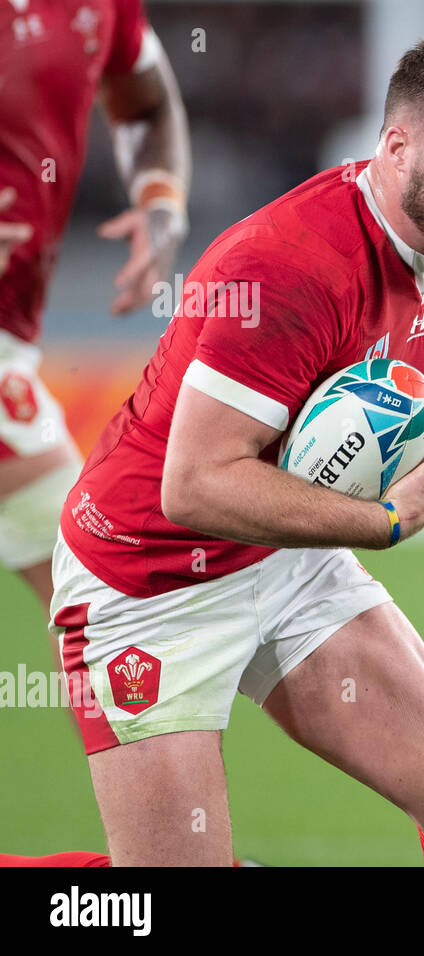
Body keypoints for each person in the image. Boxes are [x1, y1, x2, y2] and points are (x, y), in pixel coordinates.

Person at [34, 33, 424, 868]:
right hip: (149, 583)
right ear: (396, 151)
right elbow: (194, 485)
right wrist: (381, 522)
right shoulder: (289, 270)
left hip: (286, 560)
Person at [0, 0, 189, 617]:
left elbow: (148, 101)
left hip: (12, 337)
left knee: (104, 607)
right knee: (108, 605)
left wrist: (161, 200)